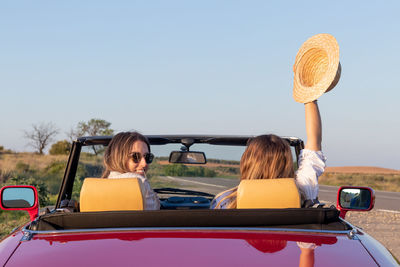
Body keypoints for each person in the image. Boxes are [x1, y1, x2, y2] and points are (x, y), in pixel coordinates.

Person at [211, 100, 326, 209]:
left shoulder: (224, 201)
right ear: (287, 163)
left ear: (247, 162)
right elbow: (314, 143)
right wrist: (310, 98)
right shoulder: (303, 191)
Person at [102, 131, 160, 210]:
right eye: (135, 156)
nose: (144, 164)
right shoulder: (140, 183)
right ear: (119, 157)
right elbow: (153, 215)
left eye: (147, 157)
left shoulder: (97, 188)